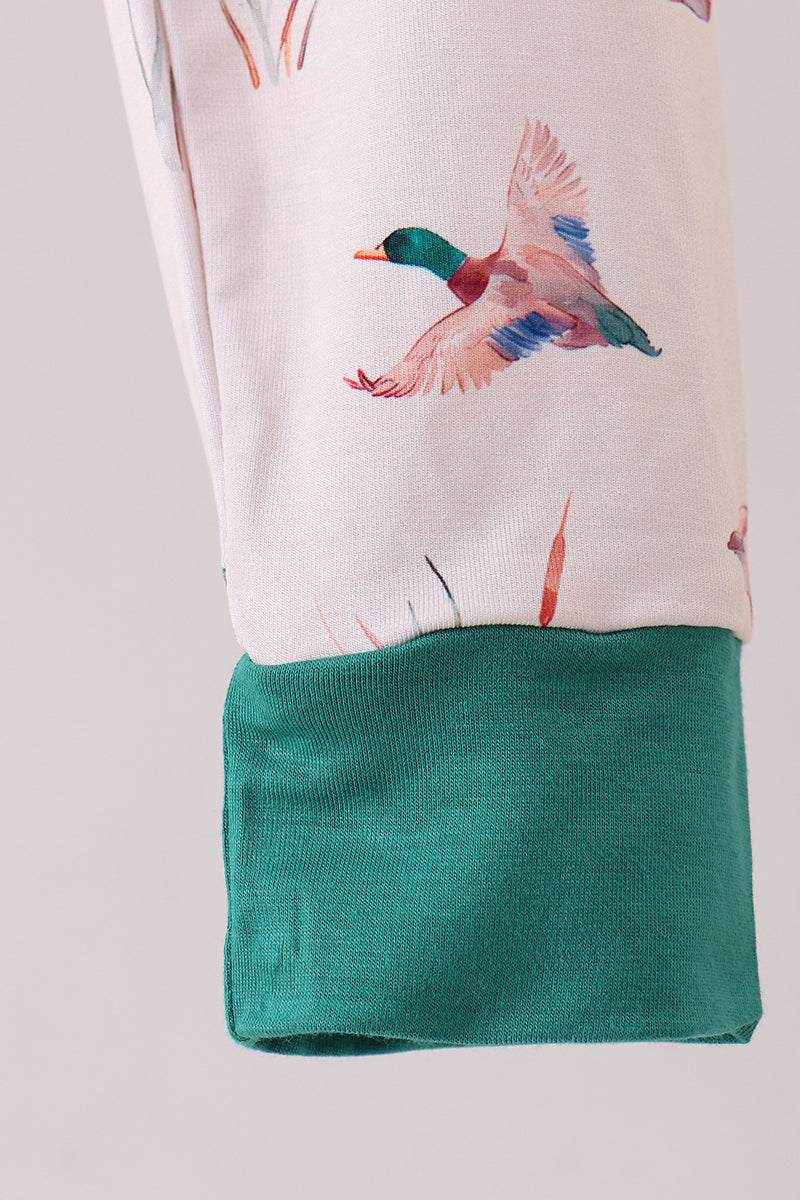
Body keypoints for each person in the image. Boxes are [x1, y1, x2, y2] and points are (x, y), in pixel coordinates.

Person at [102, 0, 761, 1055]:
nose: (384, 254)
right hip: (632, 717)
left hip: (567, 635)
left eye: (395, 250)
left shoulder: (493, 276)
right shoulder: (476, 301)